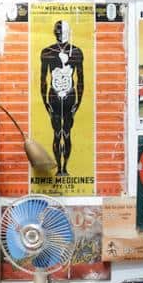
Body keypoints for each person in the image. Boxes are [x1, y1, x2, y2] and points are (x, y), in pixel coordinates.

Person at [38, 18, 85, 177]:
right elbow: (43, 79)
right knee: (57, 133)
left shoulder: (76, 52)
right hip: (54, 96)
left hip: (69, 95)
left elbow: (80, 79)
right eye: (58, 31)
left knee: (66, 133)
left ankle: (64, 168)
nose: (60, 34)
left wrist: (78, 101)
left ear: (69, 32)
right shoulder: (47, 52)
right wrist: (45, 101)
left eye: (62, 31)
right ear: (54, 32)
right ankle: (60, 169)